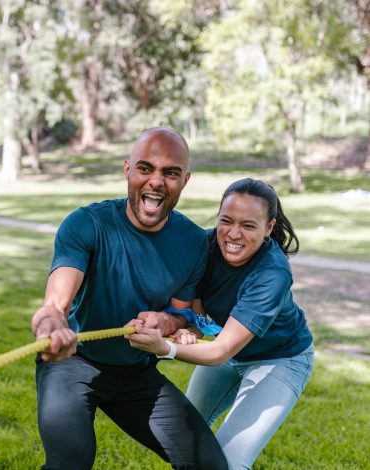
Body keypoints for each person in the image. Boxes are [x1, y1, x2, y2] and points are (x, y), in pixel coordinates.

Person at [31, 127, 228, 470]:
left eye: (170, 173)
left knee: (209, 465)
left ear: (186, 180)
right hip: (72, 364)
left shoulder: (195, 242)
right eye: (145, 168)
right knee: (71, 462)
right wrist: (52, 325)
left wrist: (165, 321)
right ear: (127, 169)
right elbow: (55, 305)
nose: (156, 182)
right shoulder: (87, 224)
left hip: (135, 374)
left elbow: (182, 316)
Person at [125, 178, 314, 470]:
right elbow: (200, 316)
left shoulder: (272, 273)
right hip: (231, 347)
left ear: (269, 227)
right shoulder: (205, 246)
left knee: (230, 461)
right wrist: (189, 329)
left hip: (280, 359)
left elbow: (221, 351)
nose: (233, 234)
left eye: (249, 225)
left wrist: (165, 349)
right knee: (183, 439)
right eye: (227, 221)